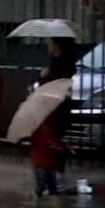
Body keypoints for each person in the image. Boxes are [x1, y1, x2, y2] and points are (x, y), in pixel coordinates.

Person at [37, 37, 76, 191]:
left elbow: (53, 82)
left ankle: (55, 174)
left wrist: (44, 76)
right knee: (55, 137)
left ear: (56, 44)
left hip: (57, 105)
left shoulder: (62, 64)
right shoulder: (58, 62)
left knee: (56, 138)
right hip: (57, 104)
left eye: (50, 42)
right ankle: (54, 174)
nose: (48, 45)